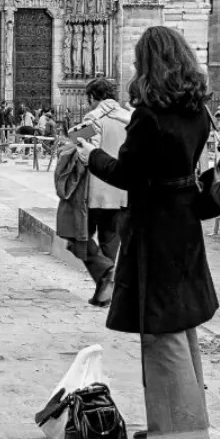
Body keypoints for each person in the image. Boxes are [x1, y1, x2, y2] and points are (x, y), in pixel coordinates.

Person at [75, 26, 217, 439]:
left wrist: (90, 156)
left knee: (161, 330)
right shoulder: (198, 110)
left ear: (149, 63)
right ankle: (182, 419)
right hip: (185, 223)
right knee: (182, 323)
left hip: (156, 225)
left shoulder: (150, 115)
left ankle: (172, 431)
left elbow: (128, 175)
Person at [77, 78, 132, 307]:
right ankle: (106, 294)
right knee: (110, 241)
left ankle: (106, 274)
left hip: (97, 190)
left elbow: (83, 146)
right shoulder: (128, 118)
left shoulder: (94, 117)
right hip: (121, 191)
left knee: (77, 237)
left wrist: (72, 136)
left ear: (92, 97)